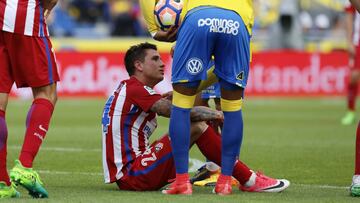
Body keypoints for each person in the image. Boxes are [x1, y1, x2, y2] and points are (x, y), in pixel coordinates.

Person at [101, 42, 290, 194]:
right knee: (195, 125)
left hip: (134, 171)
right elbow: (178, 112)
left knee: (191, 124)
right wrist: (216, 114)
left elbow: (172, 107)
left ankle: (227, 172)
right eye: (155, 59)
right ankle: (248, 179)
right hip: (133, 174)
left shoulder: (132, 89)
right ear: (139, 65)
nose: (162, 63)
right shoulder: (135, 89)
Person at [163, 1, 254, 195]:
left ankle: (181, 182)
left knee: (181, 106)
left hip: (198, 18)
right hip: (236, 22)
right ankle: (226, 182)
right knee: (232, 109)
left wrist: (155, 30)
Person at [0, 0, 59, 199]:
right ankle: (25, 166)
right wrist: (49, 8)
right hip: (23, 18)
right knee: (47, 92)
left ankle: (1, 182)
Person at [341, 3, 360, 125]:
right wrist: (349, 41)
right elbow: (349, 16)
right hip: (358, 41)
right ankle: (350, 111)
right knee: (354, 77)